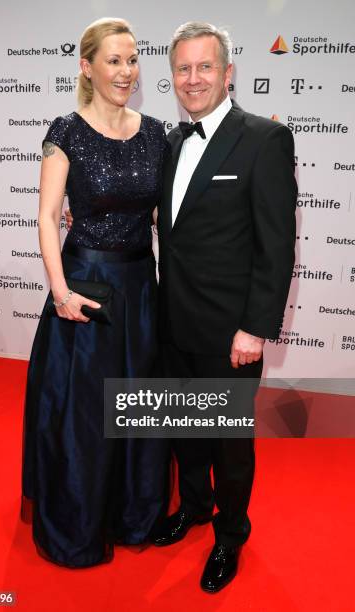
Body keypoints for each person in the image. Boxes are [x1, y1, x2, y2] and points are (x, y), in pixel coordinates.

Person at [152, 22, 297, 593]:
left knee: (230, 441)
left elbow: (277, 244)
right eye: (183, 69)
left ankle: (231, 536)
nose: (193, 79)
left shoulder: (263, 139)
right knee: (186, 428)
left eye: (204, 67)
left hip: (231, 332)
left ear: (228, 73)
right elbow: (170, 225)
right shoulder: (168, 142)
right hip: (174, 320)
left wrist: (256, 329)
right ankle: (195, 506)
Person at [21, 17, 169, 568]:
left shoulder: (156, 131)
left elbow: (160, 215)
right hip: (86, 289)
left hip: (141, 287)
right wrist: (59, 291)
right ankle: (78, 525)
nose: (126, 71)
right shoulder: (66, 131)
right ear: (87, 67)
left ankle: (135, 513)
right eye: (114, 60)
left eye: (133, 59)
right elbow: (45, 218)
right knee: (86, 415)